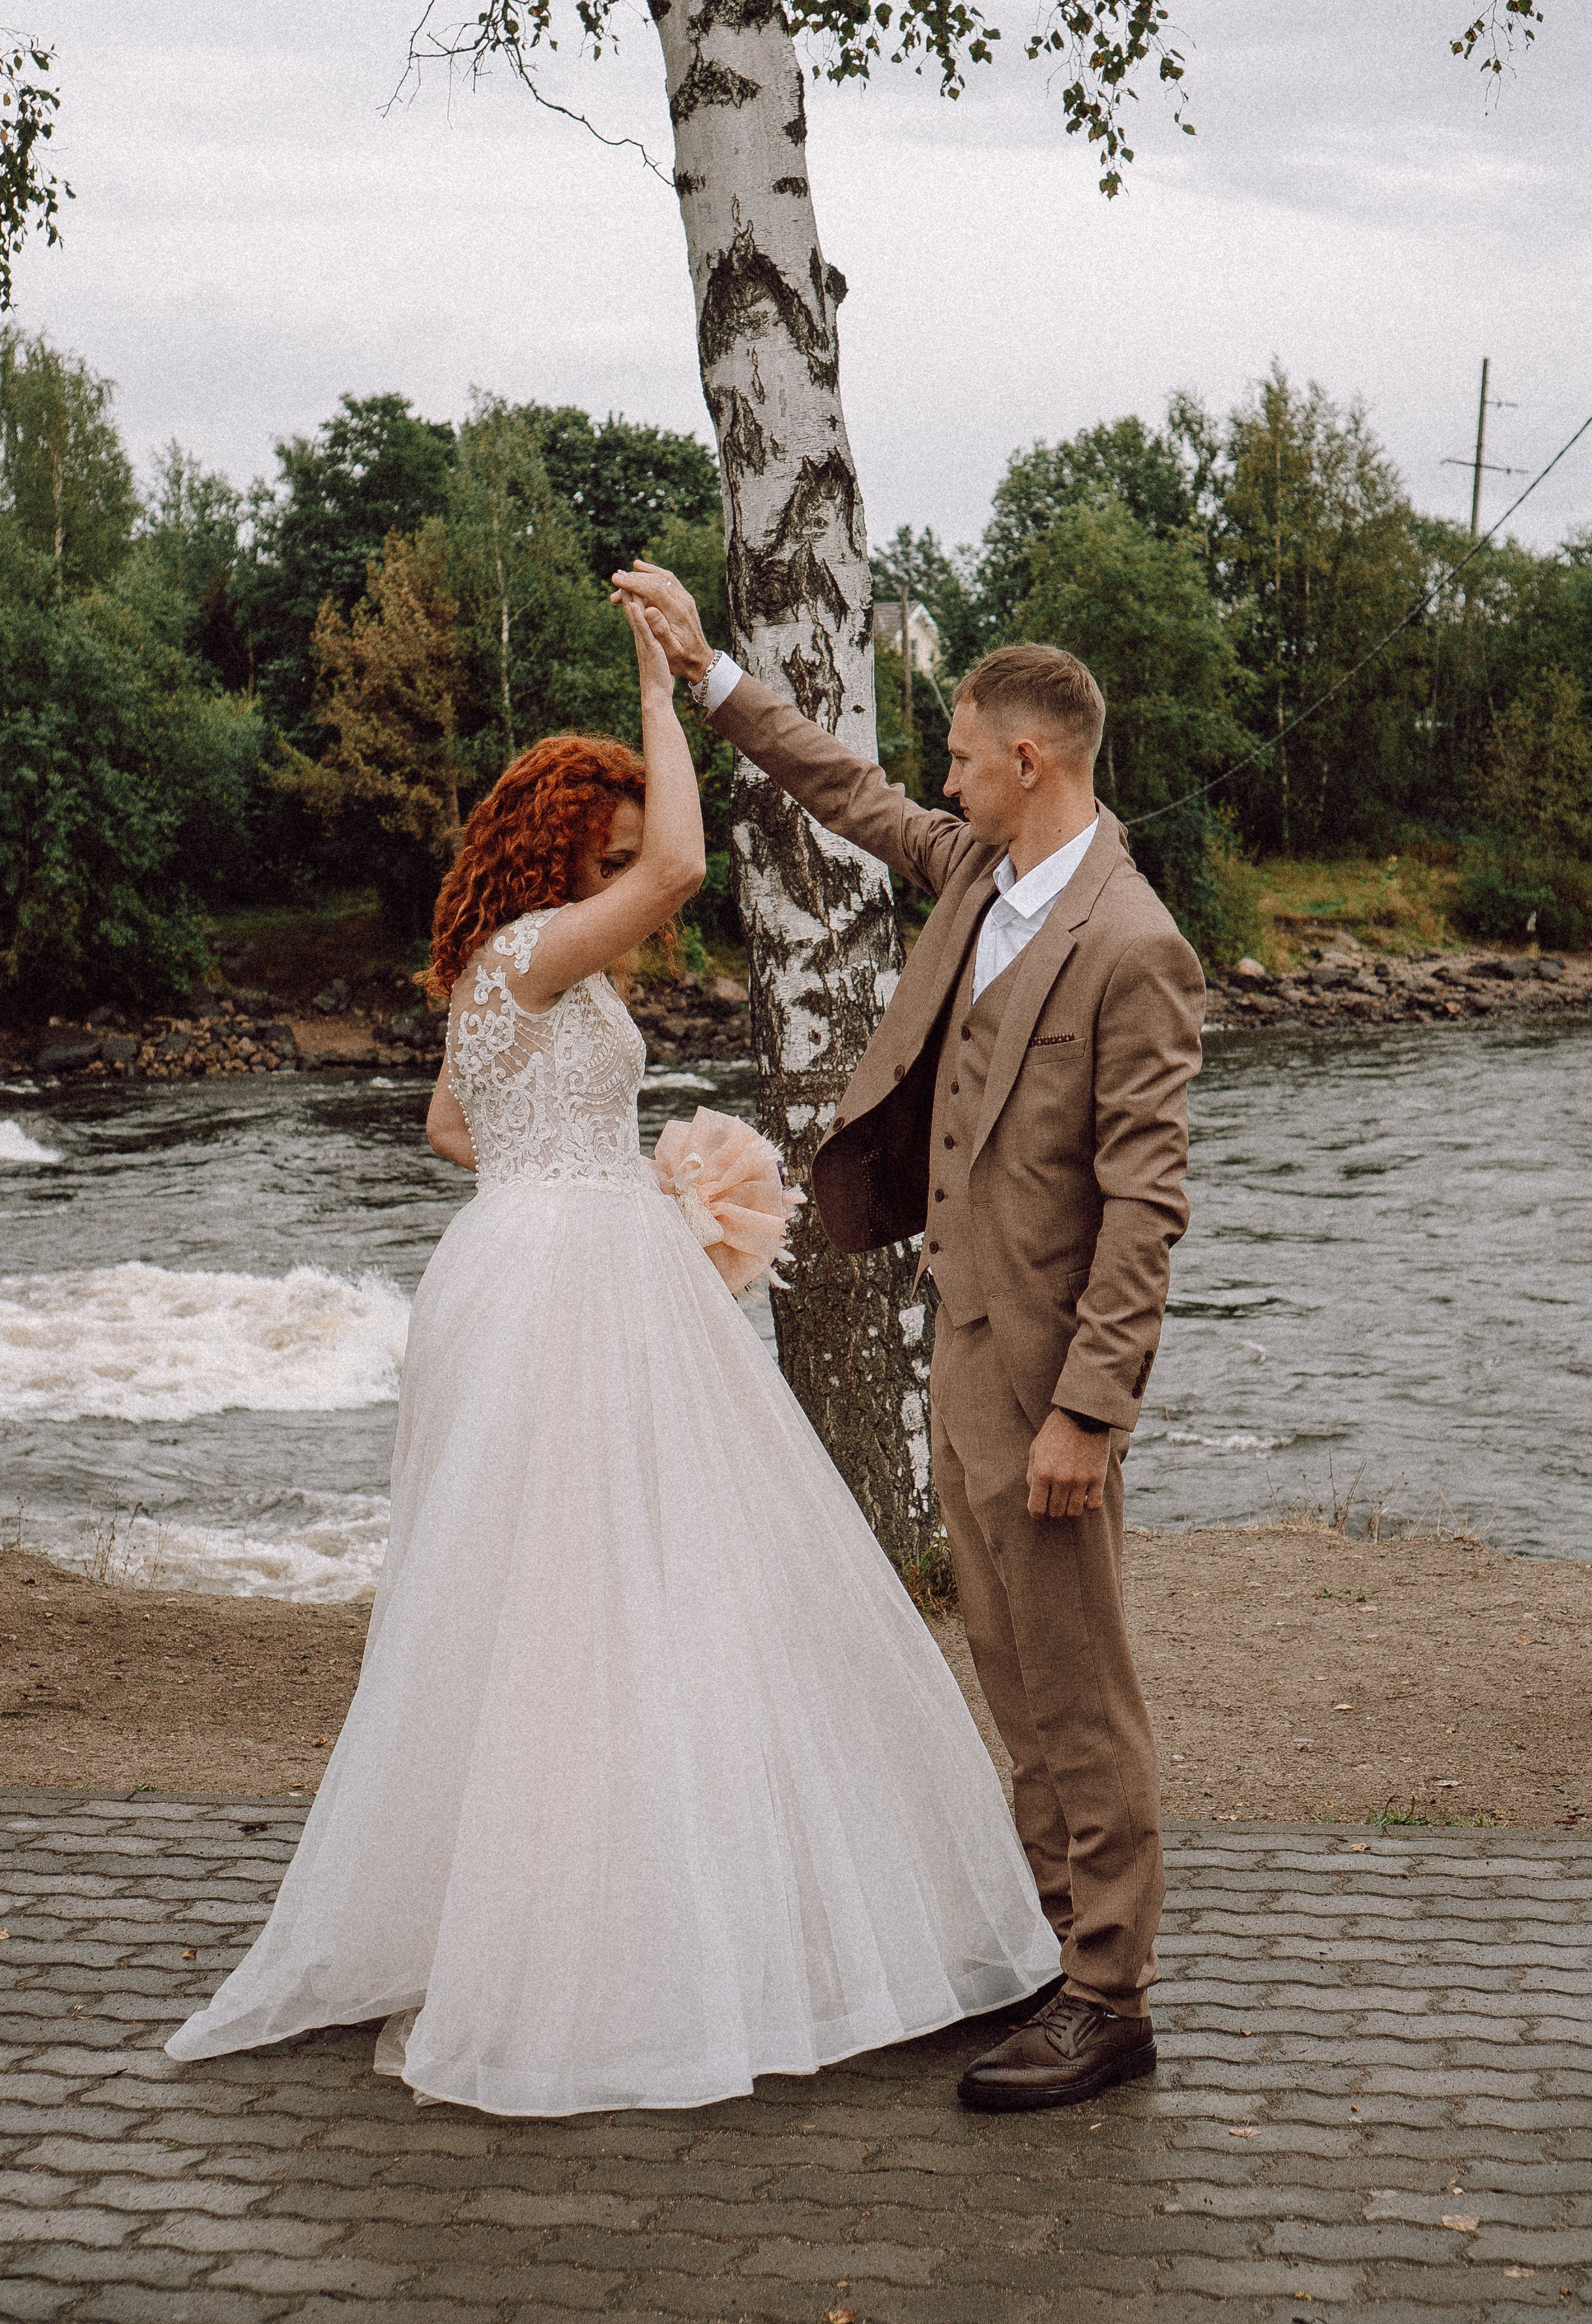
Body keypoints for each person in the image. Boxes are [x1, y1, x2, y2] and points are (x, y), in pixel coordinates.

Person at [164, 588, 1059, 2119]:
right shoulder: (536, 948)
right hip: (568, 1278)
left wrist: (572, 1168)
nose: (634, 867)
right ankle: (603, 1947)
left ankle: (595, 1900)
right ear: (570, 839)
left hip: (525, 1257)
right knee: (615, 1583)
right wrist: (667, 677)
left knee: (551, 1586)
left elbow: (457, 1129)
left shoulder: (494, 968)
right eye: (613, 837)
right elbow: (692, 861)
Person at [618, 559, 1204, 2112]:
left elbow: (1144, 1210)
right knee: (1008, 1670)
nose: (937, 776)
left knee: (1079, 1684)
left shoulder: (1131, 943)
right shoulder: (975, 873)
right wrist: (708, 673)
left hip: (1044, 1378)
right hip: (957, 1346)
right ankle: (1049, 1946)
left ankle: (1111, 1994)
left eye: (959, 752)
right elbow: (844, 788)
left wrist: (1088, 1414)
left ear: (1032, 759)